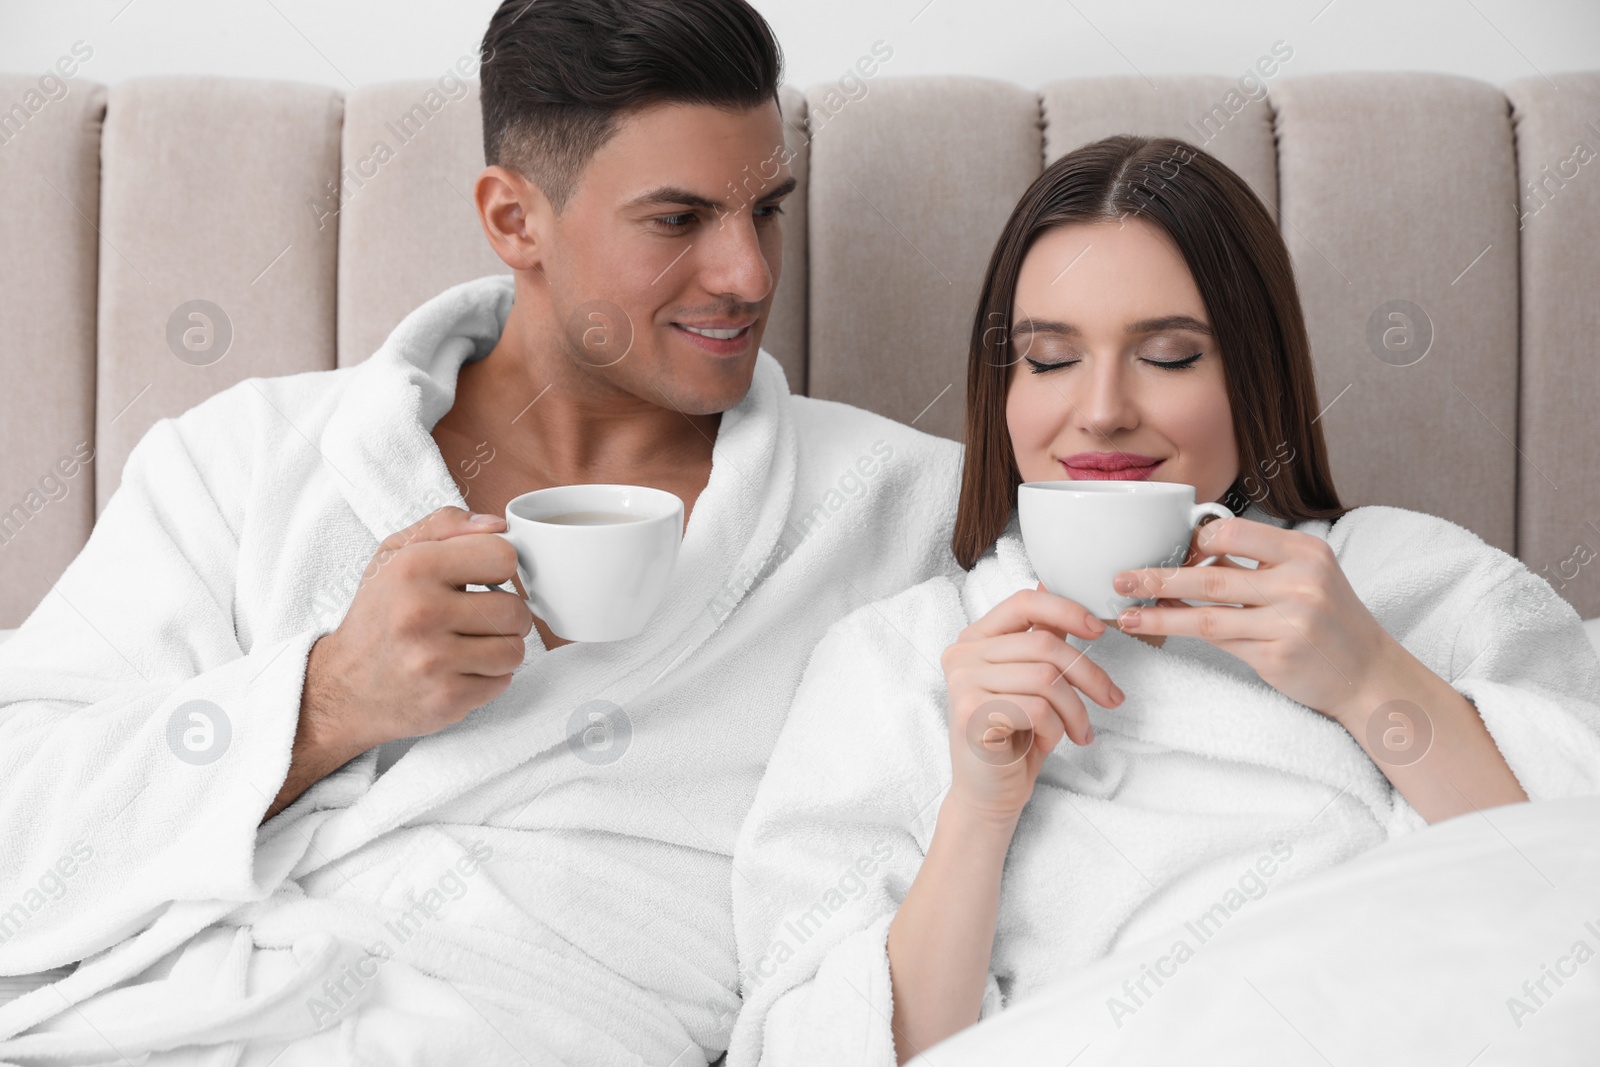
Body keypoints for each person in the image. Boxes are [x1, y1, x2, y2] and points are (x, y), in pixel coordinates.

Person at [0, 1, 962, 1063]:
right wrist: (322, 700)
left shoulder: (896, 513)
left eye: (767, 209)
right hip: (152, 1021)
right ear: (514, 220)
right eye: (679, 220)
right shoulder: (244, 459)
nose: (748, 273)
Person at [725, 135, 1600, 1066]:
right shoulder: (898, 659)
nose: (1101, 410)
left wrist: (1372, 681)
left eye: (1171, 356)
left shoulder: (1411, 583)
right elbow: (812, 1045)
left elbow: (1565, 894)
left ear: (1255, 374)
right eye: (1051, 359)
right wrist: (978, 815)